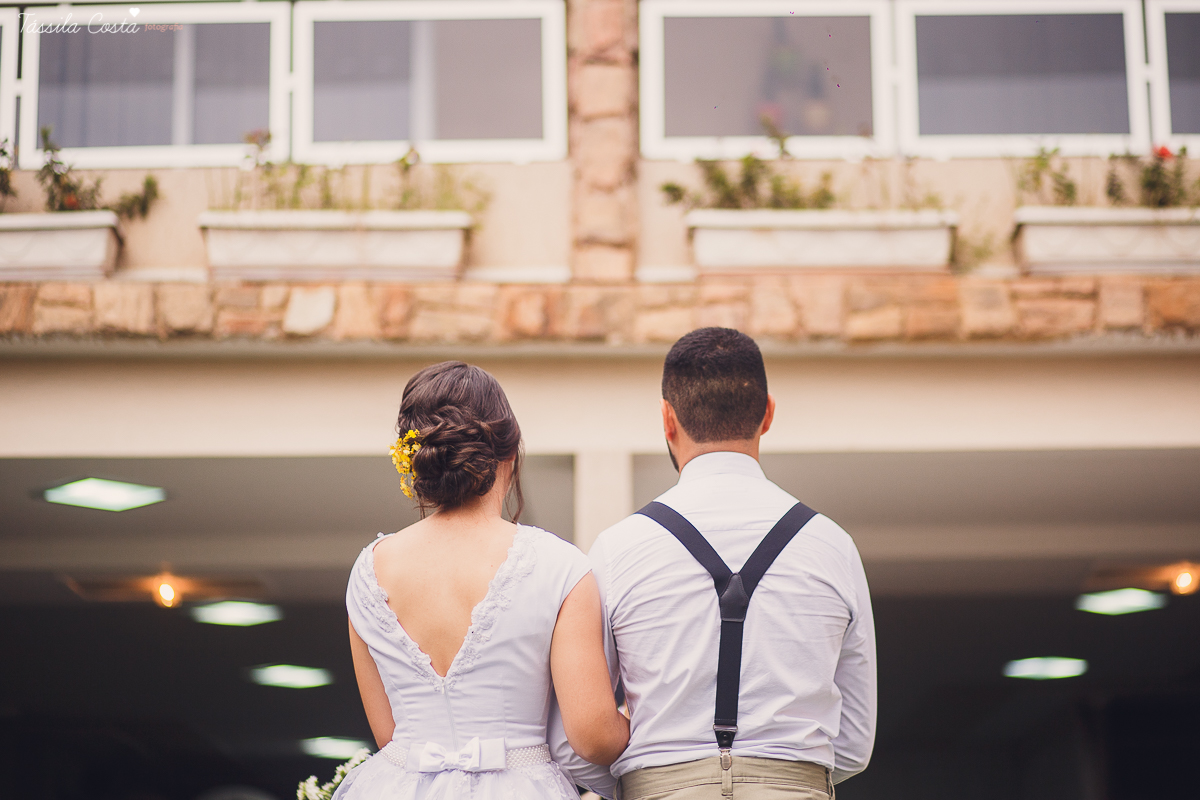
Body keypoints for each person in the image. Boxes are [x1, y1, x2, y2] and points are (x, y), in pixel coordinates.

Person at [587, 327, 876, 799]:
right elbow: (854, 744)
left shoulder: (617, 548)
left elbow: (584, 726)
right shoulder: (832, 545)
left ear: (667, 419)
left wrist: (643, 782)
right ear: (768, 414)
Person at [334, 361, 628, 800]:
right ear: (510, 453)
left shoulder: (369, 570)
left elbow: (388, 733)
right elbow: (592, 737)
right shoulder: (559, 565)